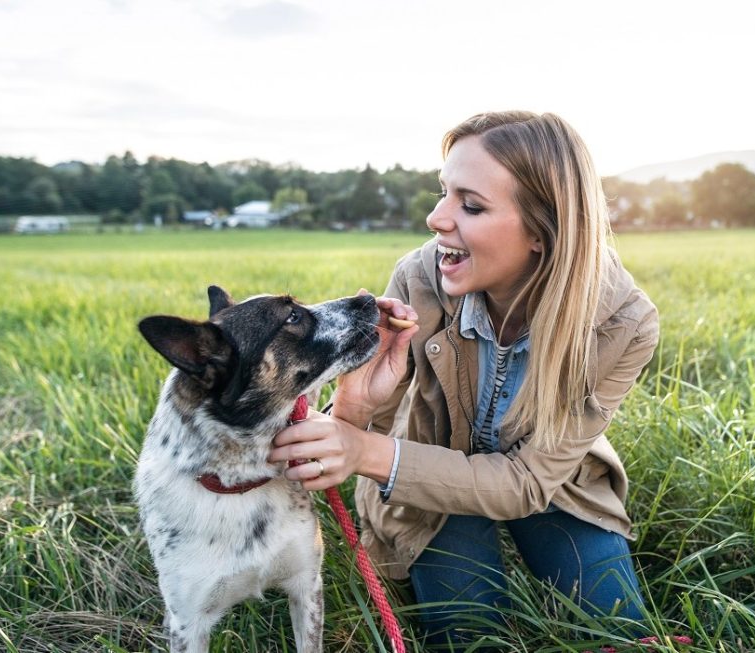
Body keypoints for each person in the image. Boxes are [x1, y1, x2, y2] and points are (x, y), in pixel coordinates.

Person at [269, 111, 660, 647]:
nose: (435, 218)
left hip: (554, 485)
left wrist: (362, 451)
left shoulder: (622, 322)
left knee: (617, 629)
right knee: (472, 635)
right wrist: (355, 408)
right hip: (425, 480)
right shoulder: (418, 278)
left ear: (543, 234)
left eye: (470, 205)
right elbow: (355, 440)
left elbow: (528, 481)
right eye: (443, 193)